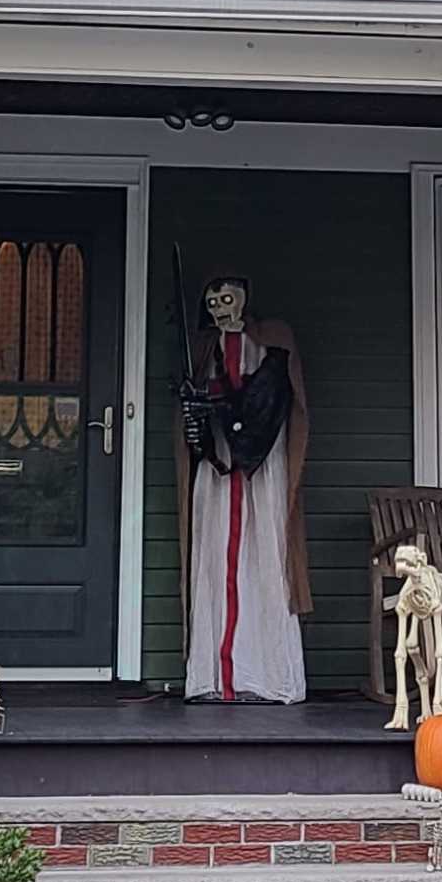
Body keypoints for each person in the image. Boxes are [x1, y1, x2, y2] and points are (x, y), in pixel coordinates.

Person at [179, 276, 308, 702]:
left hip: (262, 463)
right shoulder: (202, 348)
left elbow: (275, 397)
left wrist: (233, 410)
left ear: (245, 297)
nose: (220, 306)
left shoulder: (274, 340)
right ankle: (215, 675)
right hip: (218, 467)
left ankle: (267, 674)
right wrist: (198, 412)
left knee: (264, 555)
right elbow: (195, 405)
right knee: (218, 556)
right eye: (212, 299)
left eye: (228, 296)